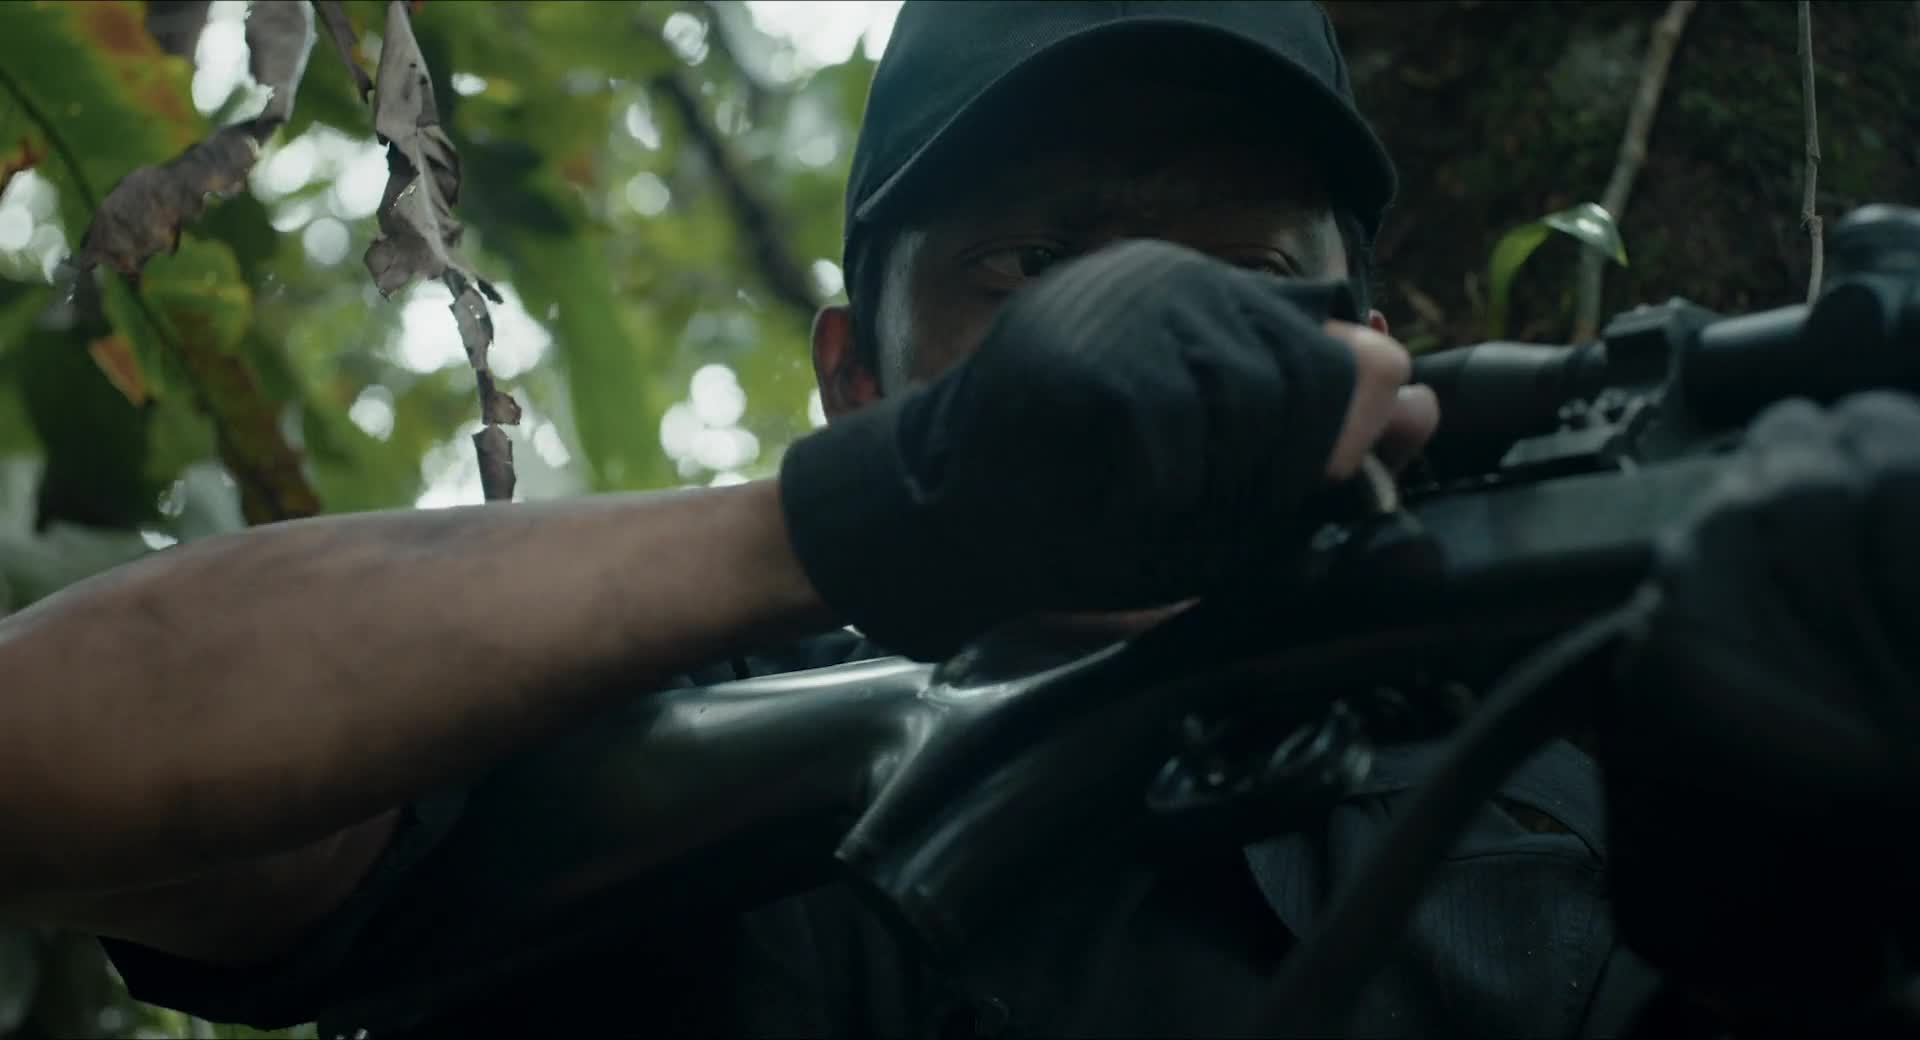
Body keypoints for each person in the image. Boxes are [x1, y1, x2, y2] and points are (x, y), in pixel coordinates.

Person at [2, 2, 1917, 1037]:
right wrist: (859, 526)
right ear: (856, 374)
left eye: (1254, 271)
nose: (1166, 328)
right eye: (1036, 265)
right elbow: (39, 756)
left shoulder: (1563, 745)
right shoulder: (685, 751)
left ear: (1373, 345)